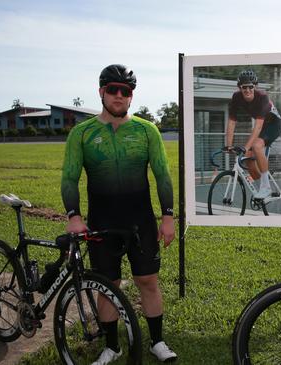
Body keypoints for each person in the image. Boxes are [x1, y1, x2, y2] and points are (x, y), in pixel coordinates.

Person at [61, 64, 178, 364]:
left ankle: (158, 342)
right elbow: (69, 179)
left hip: (140, 220)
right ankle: (112, 346)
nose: (118, 95)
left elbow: (162, 176)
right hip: (102, 221)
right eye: (112, 89)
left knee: (148, 281)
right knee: (107, 286)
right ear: (101, 92)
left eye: (124, 91)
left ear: (131, 96)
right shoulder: (82, 133)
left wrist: (168, 217)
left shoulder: (146, 130)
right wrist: (74, 216)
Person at [225, 70, 281, 199]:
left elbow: (257, 127)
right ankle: (263, 182)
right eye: (244, 87)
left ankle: (266, 188)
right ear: (239, 87)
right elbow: (231, 122)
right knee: (248, 158)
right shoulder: (236, 97)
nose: (247, 90)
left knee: (256, 146)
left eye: (250, 87)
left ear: (255, 86)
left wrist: (246, 146)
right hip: (262, 125)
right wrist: (228, 145)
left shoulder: (262, 97)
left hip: (274, 125)